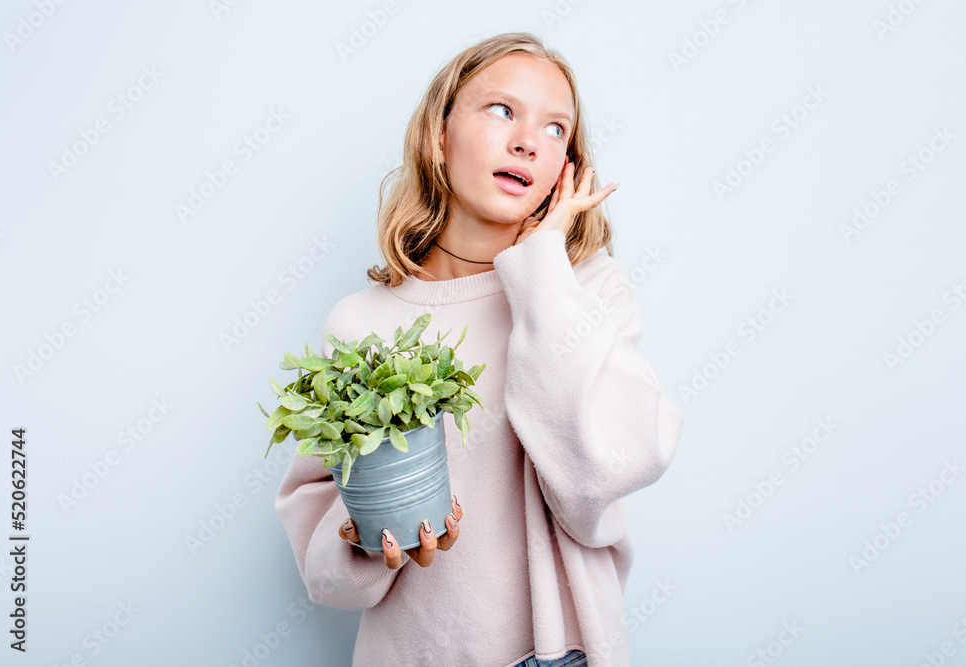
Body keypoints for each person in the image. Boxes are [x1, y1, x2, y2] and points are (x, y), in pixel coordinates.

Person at [274, 31, 684, 667]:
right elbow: (324, 568)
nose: (527, 139)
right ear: (439, 135)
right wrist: (364, 539)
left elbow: (598, 474)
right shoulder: (361, 323)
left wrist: (542, 264)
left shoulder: (586, 290)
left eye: (556, 129)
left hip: (556, 651)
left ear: (567, 168)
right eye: (502, 110)